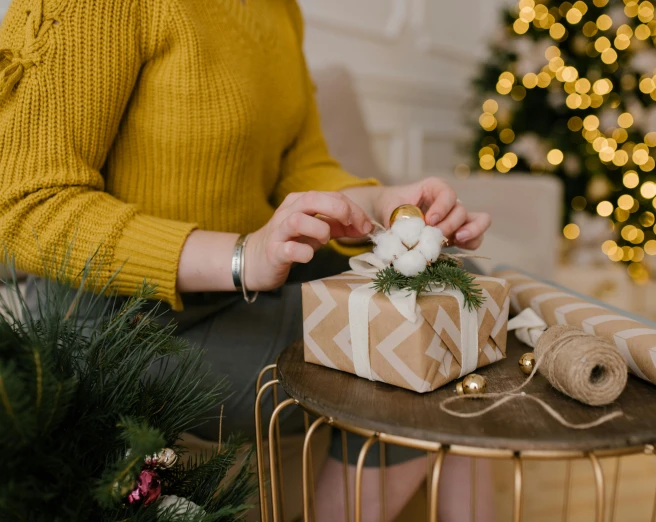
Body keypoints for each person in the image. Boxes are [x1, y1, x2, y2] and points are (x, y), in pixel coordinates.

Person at [0, 0, 494, 519]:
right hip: (119, 321)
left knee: (460, 299)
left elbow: (301, 165)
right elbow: (27, 204)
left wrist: (386, 204)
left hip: (241, 289)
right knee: (414, 361)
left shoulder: (278, 9)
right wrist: (241, 257)